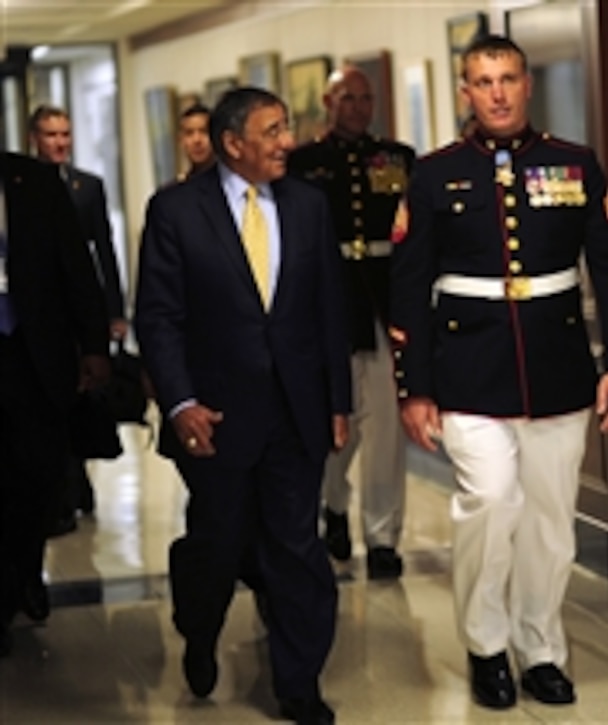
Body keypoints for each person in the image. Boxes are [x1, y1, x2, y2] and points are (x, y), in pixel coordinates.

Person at [389, 35, 608, 709]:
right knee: (492, 500)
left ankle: (541, 647)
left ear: (527, 85)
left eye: (507, 78)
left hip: (558, 367)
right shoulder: (435, 175)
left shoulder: (575, 164)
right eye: (482, 80)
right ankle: (485, 644)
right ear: (465, 91)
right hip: (467, 367)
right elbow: (408, 287)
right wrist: (413, 387)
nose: (496, 92)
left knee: (552, 519)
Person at [134, 86, 350, 725]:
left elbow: (327, 311)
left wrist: (337, 400)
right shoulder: (175, 211)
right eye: (274, 130)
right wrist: (180, 403)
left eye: (286, 128)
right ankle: (199, 629)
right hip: (216, 418)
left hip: (295, 410)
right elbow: (160, 318)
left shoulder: (309, 205)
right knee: (218, 543)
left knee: (295, 545)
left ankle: (298, 683)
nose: (288, 141)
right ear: (234, 145)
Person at [287, 65, 415, 579]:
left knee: (385, 430)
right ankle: (332, 504)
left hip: (384, 302)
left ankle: (383, 536)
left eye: (366, 98)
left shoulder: (398, 159)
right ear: (326, 100)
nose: (358, 107)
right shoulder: (302, 164)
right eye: (348, 97)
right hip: (327, 304)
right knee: (334, 422)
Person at [1, 151, 110, 656]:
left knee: (37, 470)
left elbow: (75, 263)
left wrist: (93, 344)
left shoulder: (35, 180)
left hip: (31, 350)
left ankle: (26, 568)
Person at [29, 104, 128, 529]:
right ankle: (60, 478)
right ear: (35, 137)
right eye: (51, 135)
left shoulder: (87, 186)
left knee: (84, 391)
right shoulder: (23, 184)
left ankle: (79, 473)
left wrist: (114, 311)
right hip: (43, 309)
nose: (60, 142)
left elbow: (103, 251)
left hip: (79, 306)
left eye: (65, 134)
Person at [177, 102, 215, 181]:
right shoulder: (177, 189)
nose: (196, 140)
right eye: (189, 133)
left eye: (204, 131)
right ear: (181, 140)